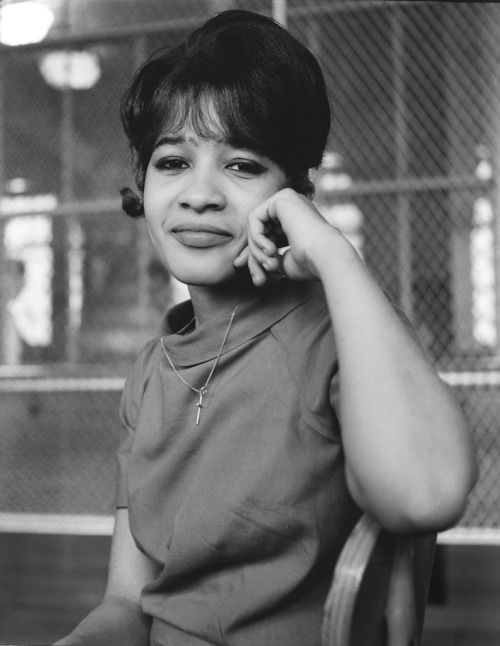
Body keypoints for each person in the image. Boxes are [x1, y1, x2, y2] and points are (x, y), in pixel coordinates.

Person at [54, 9, 477, 646]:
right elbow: (125, 605)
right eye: (172, 162)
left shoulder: (344, 336)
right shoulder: (149, 372)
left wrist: (334, 254)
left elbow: (425, 497)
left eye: (243, 166)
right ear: (142, 184)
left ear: (295, 192)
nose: (200, 194)